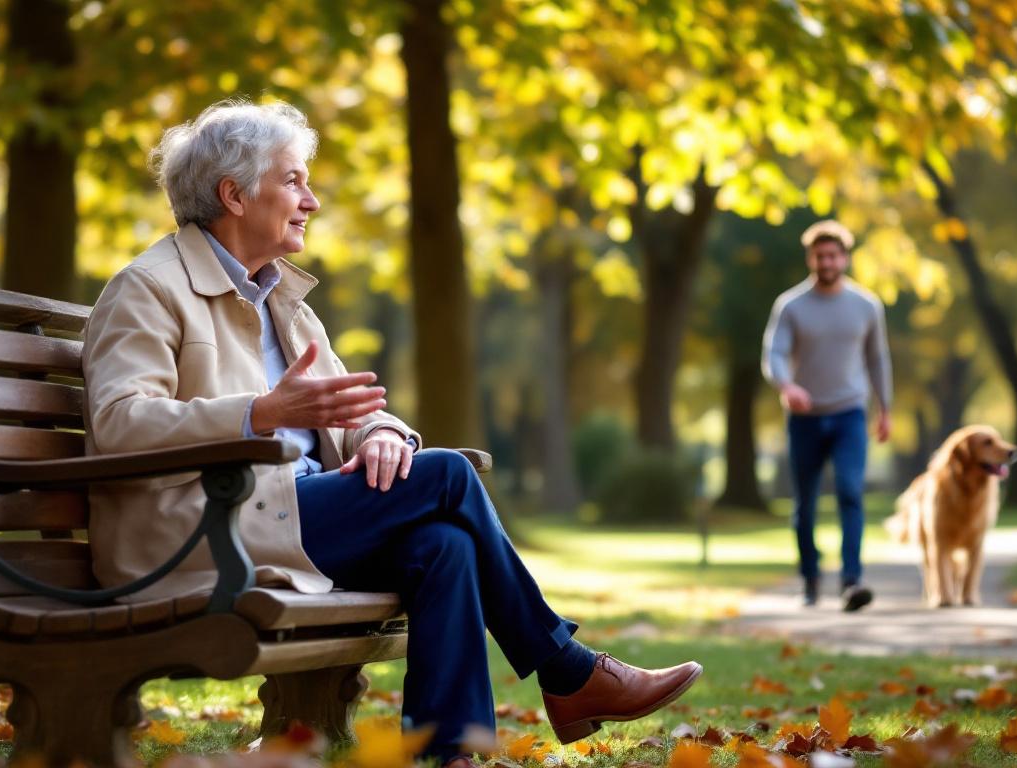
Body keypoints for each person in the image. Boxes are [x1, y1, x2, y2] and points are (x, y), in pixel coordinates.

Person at [81, 99, 702, 765]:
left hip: (286, 518)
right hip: (201, 531)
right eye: (293, 181)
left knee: (443, 544)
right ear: (234, 195)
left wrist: (385, 437)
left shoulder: (284, 303)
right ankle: (568, 670)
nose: (312, 201)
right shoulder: (147, 289)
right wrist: (259, 413)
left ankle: (448, 752)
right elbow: (120, 424)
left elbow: (352, 409)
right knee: (448, 473)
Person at [761, 220, 893, 612]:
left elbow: (877, 359)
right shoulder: (791, 306)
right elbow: (774, 353)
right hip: (805, 417)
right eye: (820, 256)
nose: (827, 262)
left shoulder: (866, 305)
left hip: (850, 412)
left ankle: (852, 581)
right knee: (805, 503)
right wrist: (787, 386)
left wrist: (885, 408)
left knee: (851, 492)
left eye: (833, 255)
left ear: (845, 258)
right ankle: (810, 578)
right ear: (810, 258)